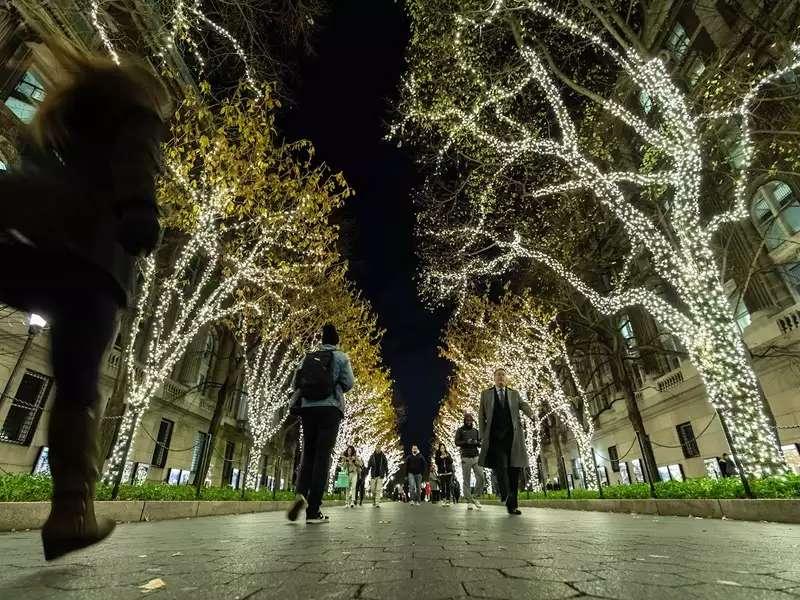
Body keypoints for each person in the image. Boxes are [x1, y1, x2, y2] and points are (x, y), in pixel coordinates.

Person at [0, 41, 166, 561]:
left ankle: (72, 514)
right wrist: (141, 211)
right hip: (92, 259)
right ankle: (71, 514)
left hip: (28, 242)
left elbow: (26, 172)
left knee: (75, 381)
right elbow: (136, 161)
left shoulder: (58, 113)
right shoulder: (136, 111)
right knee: (77, 387)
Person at [287, 324, 355, 523]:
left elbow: (295, 383)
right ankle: (313, 510)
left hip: (308, 408)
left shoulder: (307, 356)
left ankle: (301, 493)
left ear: (321, 340)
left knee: (308, 454)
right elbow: (349, 383)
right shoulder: (341, 357)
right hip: (330, 408)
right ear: (336, 341)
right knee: (322, 456)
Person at [478, 368, 534, 515]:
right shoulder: (486, 394)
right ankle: (505, 494)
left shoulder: (514, 394)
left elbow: (523, 405)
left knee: (514, 470)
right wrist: (483, 436)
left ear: (506, 378)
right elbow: (481, 416)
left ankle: (513, 505)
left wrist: (531, 414)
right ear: (494, 378)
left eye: (503, 375)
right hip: (495, 439)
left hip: (513, 438)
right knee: (501, 467)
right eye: (498, 375)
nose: (501, 377)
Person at [455, 412, 484, 510]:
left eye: (470, 420)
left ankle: (475, 497)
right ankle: (469, 501)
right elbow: (456, 442)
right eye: (467, 420)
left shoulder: (476, 431)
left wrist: (478, 443)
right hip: (465, 457)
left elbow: (480, 443)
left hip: (476, 456)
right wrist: (466, 442)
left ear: (472, 421)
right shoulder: (460, 430)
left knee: (481, 476)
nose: (469, 422)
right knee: (466, 480)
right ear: (464, 421)